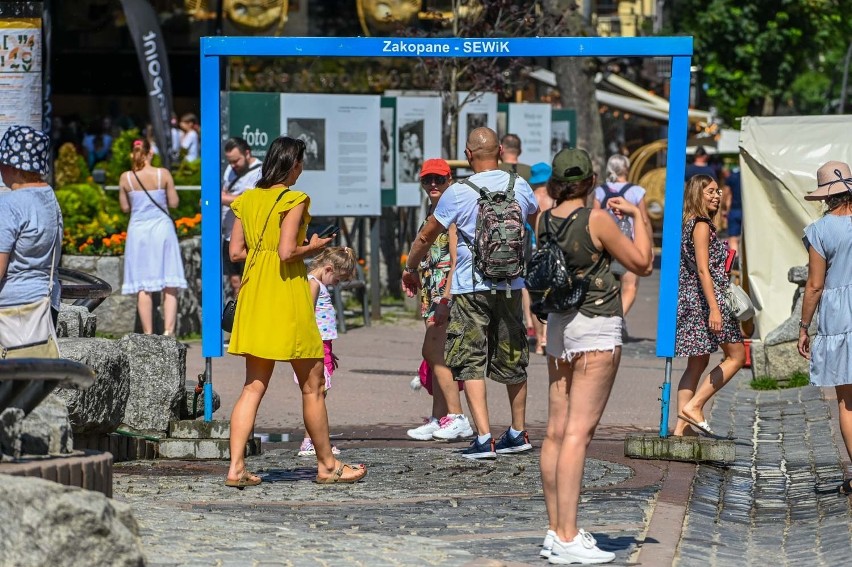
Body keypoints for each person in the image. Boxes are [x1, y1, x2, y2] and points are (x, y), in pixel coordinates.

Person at [225, 136, 366, 486]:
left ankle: (236, 468)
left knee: (252, 386)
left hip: (255, 290)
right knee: (312, 385)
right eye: (301, 163)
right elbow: (288, 252)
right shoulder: (294, 199)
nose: (302, 169)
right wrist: (314, 246)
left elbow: (236, 253)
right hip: (285, 293)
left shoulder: (247, 200)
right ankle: (328, 465)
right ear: (292, 164)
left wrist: (265, 251)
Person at [537, 148, 653, 564]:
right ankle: (568, 537)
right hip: (596, 326)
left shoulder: (543, 219)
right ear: (589, 182)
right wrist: (639, 215)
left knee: (555, 431)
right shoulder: (596, 219)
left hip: (559, 326)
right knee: (578, 434)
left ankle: (555, 530)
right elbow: (641, 263)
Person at [402, 127, 538, 459]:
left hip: (470, 286)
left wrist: (411, 267)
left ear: (468, 155)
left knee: (470, 358)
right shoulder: (518, 184)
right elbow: (532, 216)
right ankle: (518, 433)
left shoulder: (459, 191)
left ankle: (484, 438)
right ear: (502, 151)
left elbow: (426, 235)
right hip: (510, 284)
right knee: (513, 357)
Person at [405, 159, 474, 442]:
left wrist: (446, 297)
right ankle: (439, 417)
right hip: (430, 292)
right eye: (427, 180)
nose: (433, 185)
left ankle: (457, 416)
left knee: (436, 353)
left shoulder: (453, 210)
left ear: (449, 180)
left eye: (439, 179)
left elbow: (457, 258)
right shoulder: (434, 211)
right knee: (436, 356)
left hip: (445, 293)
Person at [672, 175, 746, 437]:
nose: (717, 196)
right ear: (697, 194)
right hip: (708, 300)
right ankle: (695, 406)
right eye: (710, 192)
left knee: (697, 362)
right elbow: (704, 270)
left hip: (693, 299)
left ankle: (681, 429)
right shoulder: (701, 225)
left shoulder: (687, 223)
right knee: (737, 356)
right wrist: (714, 308)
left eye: (717, 191)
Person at [797, 160, 852, 497]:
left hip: (842, 317)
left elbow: (814, 286)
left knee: (847, 401)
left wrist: (804, 327)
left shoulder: (820, 230)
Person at [118, 139, 187, 336]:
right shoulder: (162, 174)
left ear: (134, 154)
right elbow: (173, 203)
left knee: (143, 284)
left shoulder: (126, 178)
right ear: (150, 154)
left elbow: (124, 207)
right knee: (169, 281)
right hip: (162, 229)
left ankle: (148, 333)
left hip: (139, 230)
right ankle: (168, 331)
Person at [0, 126, 63, 332]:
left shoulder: (10, 204)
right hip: (45, 303)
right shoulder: (50, 198)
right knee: (39, 364)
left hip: (11, 310)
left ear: (16, 167)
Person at [296, 246, 357, 457]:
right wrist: (319, 348)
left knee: (318, 393)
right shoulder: (313, 284)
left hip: (322, 345)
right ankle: (312, 441)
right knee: (317, 394)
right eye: (338, 280)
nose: (336, 284)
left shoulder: (318, 283)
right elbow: (307, 316)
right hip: (316, 345)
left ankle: (311, 439)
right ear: (329, 268)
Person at [593, 154, 650, 334]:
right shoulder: (636, 191)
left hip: (606, 244)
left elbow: (594, 216)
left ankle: (609, 319)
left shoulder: (600, 191)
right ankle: (616, 320)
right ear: (626, 168)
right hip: (629, 244)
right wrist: (648, 245)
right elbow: (644, 220)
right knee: (630, 287)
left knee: (608, 285)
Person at [221, 137, 263, 299]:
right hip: (229, 234)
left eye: (236, 161)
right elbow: (230, 194)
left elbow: (245, 200)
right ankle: (238, 317)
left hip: (247, 235)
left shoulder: (259, 171)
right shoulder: (230, 170)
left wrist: (218, 197)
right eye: (230, 162)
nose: (233, 166)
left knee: (248, 281)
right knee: (234, 282)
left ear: (247, 153)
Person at [526, 161, 554, 355]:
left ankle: (538, 340)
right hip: (551, 250)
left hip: (531, 250)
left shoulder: (530, 198)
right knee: (551, 293)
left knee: (535, 295)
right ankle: (548, 338)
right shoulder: (555, 199)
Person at [722, 166, 743, 255]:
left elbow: (726, 193)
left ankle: (735, 257)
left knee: (733, 237)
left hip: (735, 209)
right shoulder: (753, 177)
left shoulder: (732, 177)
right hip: (749, 212)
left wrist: (724, 209)